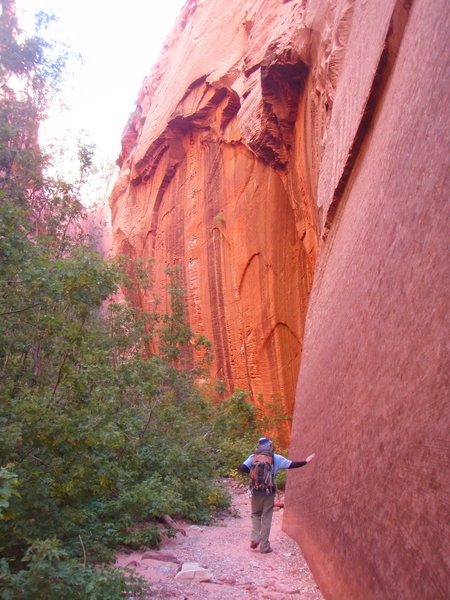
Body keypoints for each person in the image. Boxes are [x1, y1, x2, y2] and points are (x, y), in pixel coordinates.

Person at [238, 437, 315, 554]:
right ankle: (264, 546)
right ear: (270, 446)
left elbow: (243, 468)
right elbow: (292, 465)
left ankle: (254, 539)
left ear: (258, 446)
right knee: (267, 517)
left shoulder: (253, 457)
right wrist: (306, 461)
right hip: (269, 491)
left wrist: (254, 475)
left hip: (255, 491)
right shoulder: (276, 458)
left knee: (255, 514)